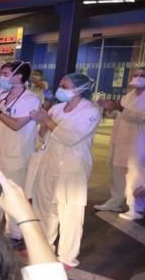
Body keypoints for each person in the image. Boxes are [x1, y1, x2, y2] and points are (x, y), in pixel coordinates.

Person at [27, 72, 101, 267]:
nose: (60, 89)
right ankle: (44, 247)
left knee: (70, 212)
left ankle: (67, 256)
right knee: (45, 209)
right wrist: (41, 121)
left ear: (80, 90)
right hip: (48, 162)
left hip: (72, 166)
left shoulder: (90, 112)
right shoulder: (57, 108)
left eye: (65, 86)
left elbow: (70, 138)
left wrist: (48, 121)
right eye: (61, 85)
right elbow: (43, 136)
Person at [0, 60, 40, 244]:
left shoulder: (31, 99)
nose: (1, 77)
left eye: (5, 74)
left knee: (14, 195)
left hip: (16, 154)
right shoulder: (3, 96)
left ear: (19, 76)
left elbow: (16, 125)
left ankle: (16, 233)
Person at [96, 66, 145, 219]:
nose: (138, 78)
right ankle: (116, 201)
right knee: (117, 172)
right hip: (119, 140)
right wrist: (110, 109)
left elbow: (141, 116)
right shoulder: (129, 95)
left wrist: (119, 108)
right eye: (136, 75)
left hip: (136, 142)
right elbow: (121, 114)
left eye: (142, 75)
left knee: (134, 175)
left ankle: (135, 208)